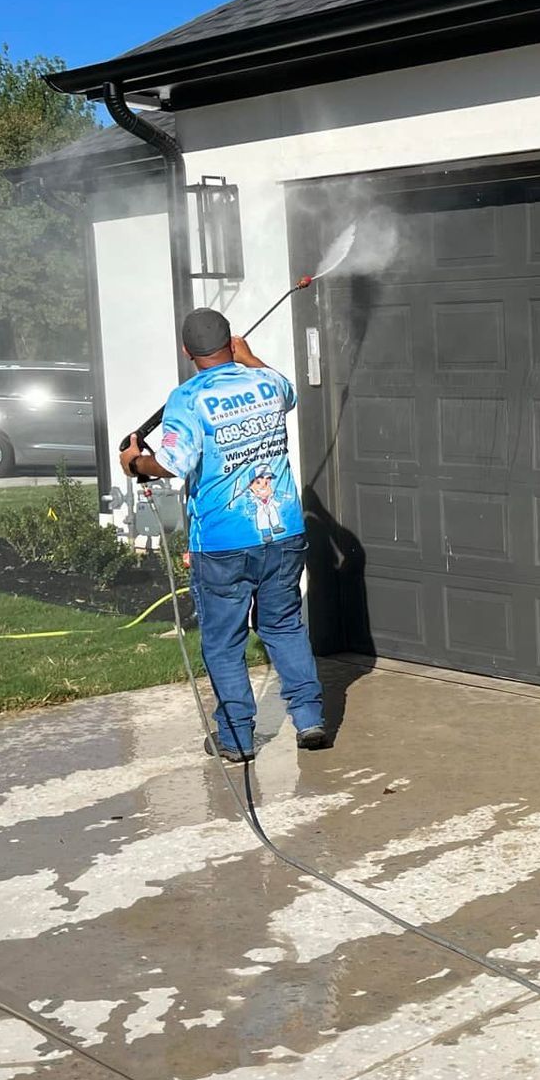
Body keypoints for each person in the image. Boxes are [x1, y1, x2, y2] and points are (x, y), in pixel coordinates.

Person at [120, 308, 331, 762]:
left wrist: (136, 462)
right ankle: (310, 718)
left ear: (186, 351)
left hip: (223, 542)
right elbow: (289, 393)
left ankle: (237, 739)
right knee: (284, 625)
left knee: (223, 641)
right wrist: (251, 358)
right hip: (283, 532)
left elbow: (172, 463)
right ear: (232, 343)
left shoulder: (188, 399)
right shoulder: (268, 383)